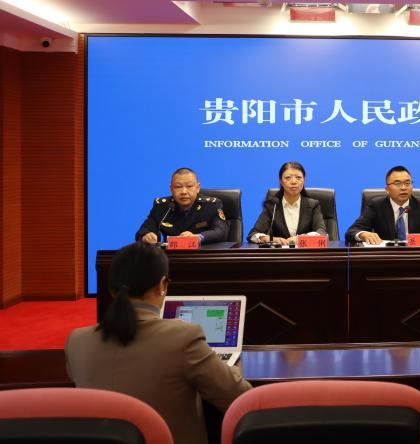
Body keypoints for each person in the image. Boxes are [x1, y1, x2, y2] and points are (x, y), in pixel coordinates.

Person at [65, 242, 251, 444]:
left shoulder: (76, 342)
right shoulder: (184, 337)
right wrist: (232, 369)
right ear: (162, 285)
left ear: (111, 289)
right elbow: (239, 397)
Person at [345, 165, 420, 244]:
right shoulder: (376, 205)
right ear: (387, 189)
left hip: (415, 255)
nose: (403, 188)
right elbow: (351, 232)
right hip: (386, 257)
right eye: (397, 183)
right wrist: (363, 234)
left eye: (407, 183)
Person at [135, 167, 228, 244]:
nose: (184, 192)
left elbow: (220, 231)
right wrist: (146, 236)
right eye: (178, 187)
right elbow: (144, 229)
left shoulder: (211, 205)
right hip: (171, 257)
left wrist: (197, 237)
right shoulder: (162, 206)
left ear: (198, 188)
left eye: (189, 186)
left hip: (203, 256)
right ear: (171, 189)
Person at [247, 161, 327, 245]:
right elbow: (253, 234)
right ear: (281, 181)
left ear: (304, 180)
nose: (293, 181)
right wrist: (269, 238)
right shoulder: (272, 205)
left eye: (298, 177)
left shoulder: (313, 205)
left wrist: (301, 238)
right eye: (288, 177)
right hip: (280, 252)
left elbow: (321, 232)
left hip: (305, 252)